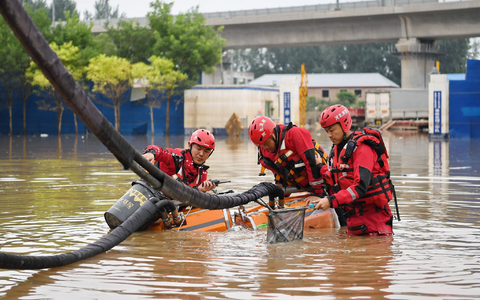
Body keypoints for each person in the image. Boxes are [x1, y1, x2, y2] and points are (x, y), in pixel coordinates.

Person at [305, 104, 395, 236]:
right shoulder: (338, 149)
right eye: (326, 131)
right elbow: (336, 177)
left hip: (375, 225)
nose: (329, 135)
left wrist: (330, 201)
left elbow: (360, 186)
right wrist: (320, 166)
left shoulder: (363, 149)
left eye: (332, 130)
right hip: (354, 223)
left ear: (344, 125)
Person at [248, 115, 328, 205]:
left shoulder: (294, 134)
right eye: (261, 145)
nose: (265, 147)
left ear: (273, 133)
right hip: (298, 185)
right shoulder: (265, 151)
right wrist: (280, 194)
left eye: (266, 143)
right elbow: (279, 173)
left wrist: (317, 193)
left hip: (323, 183)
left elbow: (311, 162)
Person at [142, 129, 217, 192]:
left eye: (206, 151)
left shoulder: (202, 172)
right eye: (198, 149)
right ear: (190, 145)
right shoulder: (177, 157)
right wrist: (151, 153)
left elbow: (193, 199)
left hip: (172, 205)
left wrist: (201, 190)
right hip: (149, 194)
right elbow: (160, 151)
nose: (201, 154)